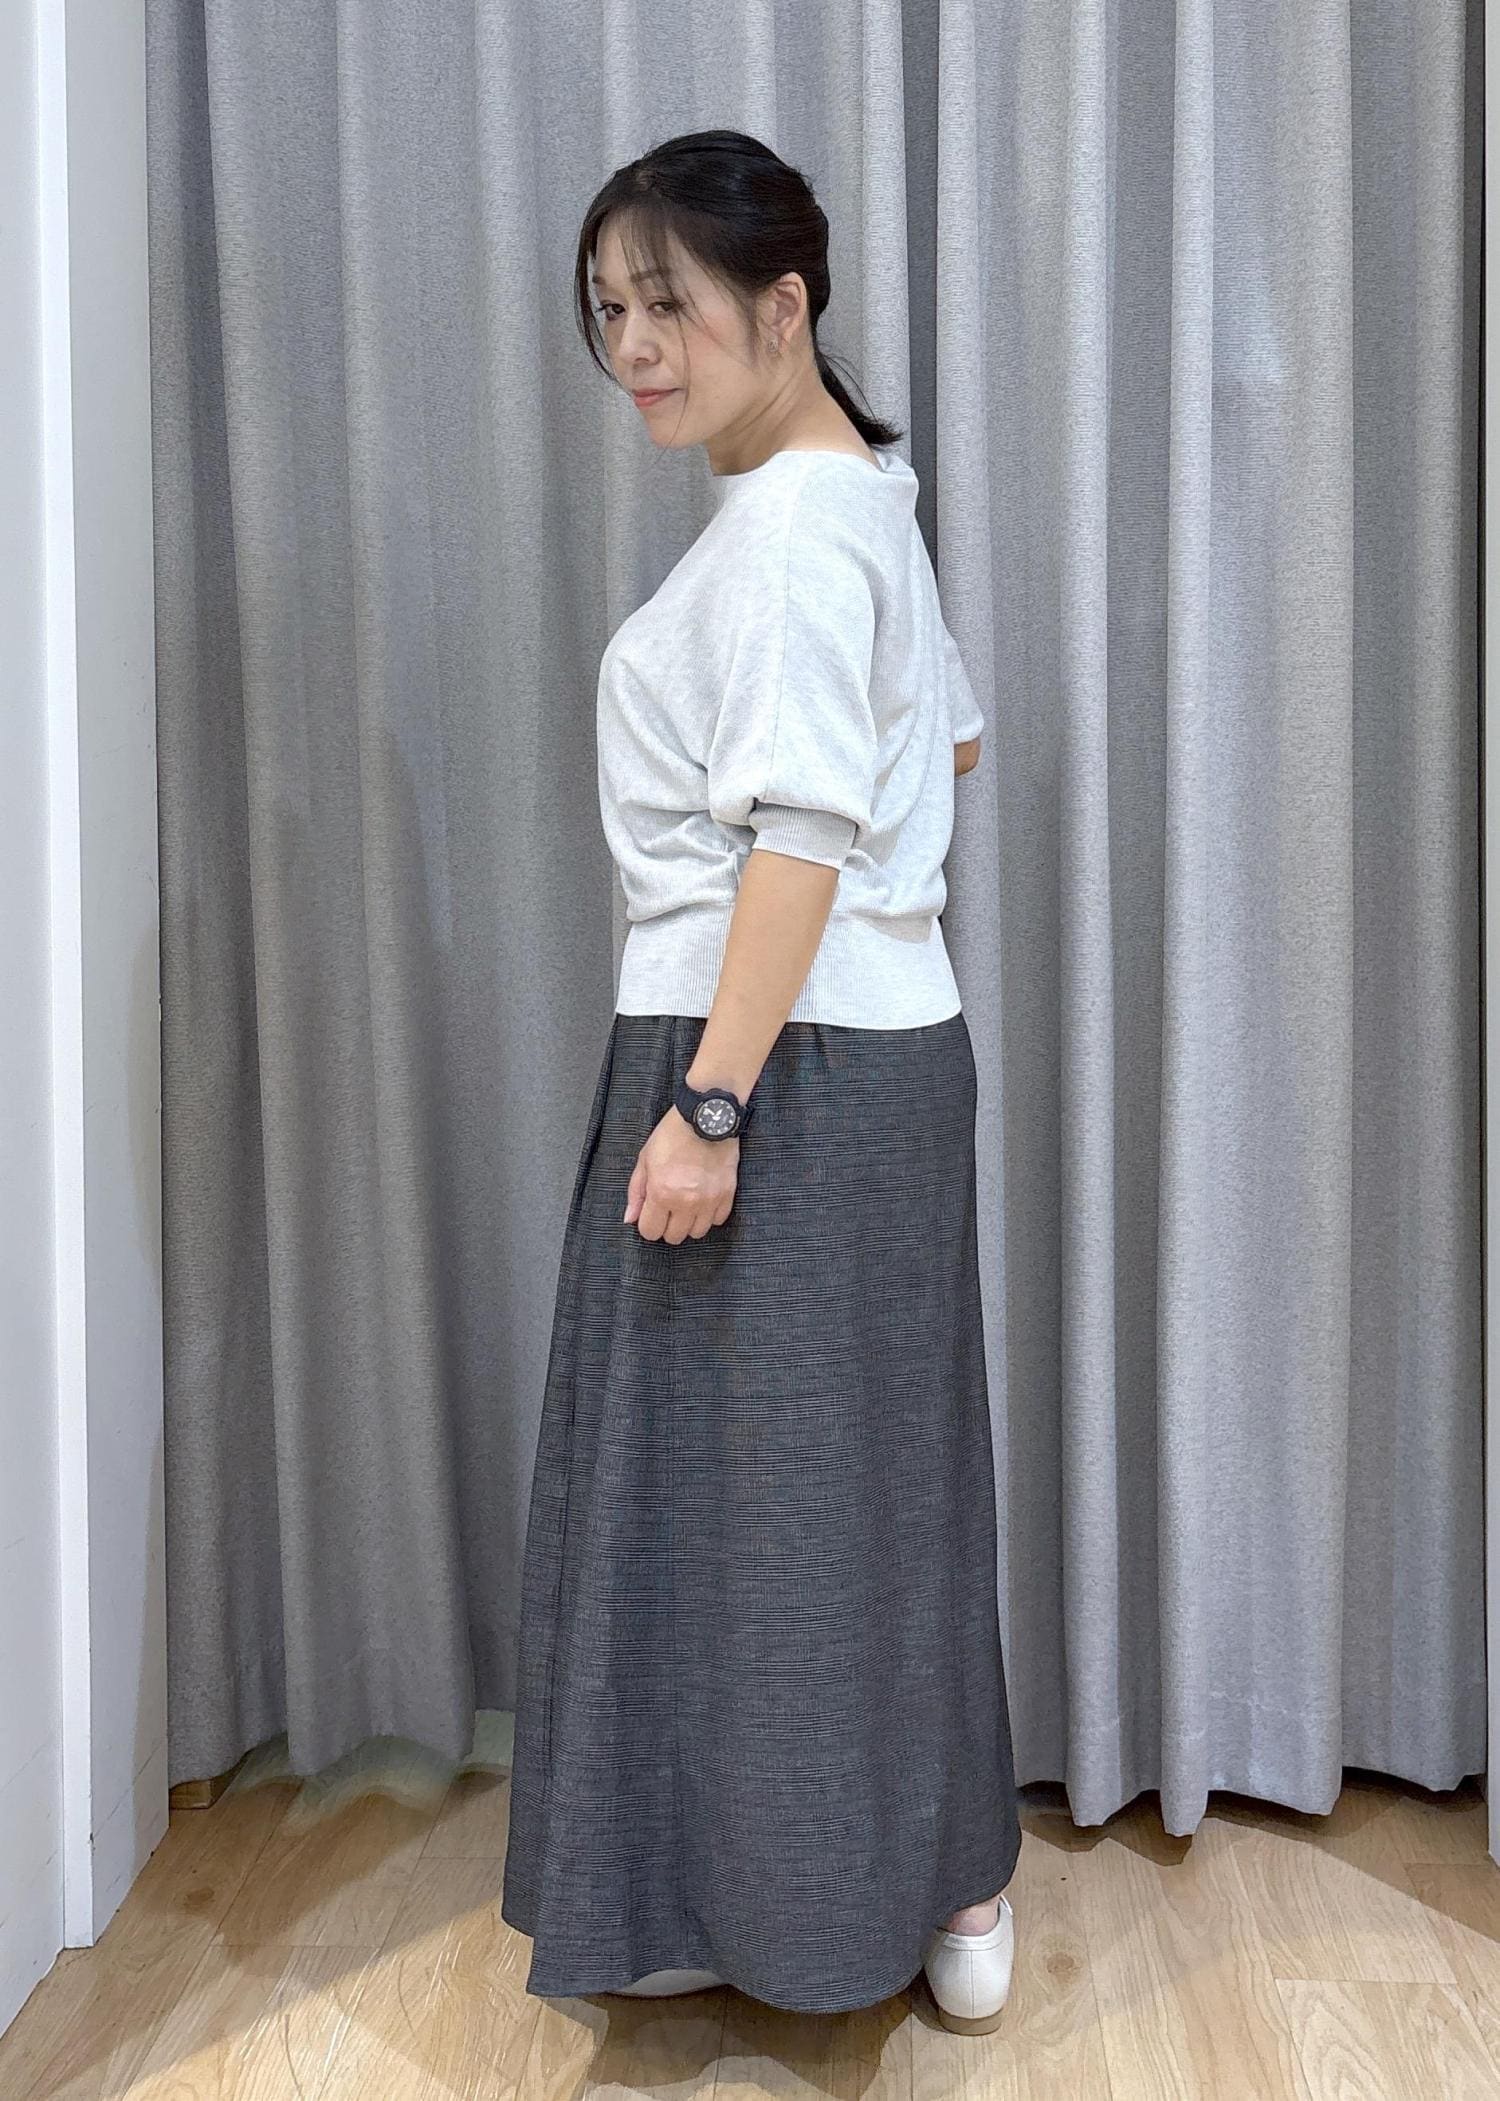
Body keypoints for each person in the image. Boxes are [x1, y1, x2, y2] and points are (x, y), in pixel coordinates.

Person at [498, 128, 1020, 2035]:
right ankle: (925, 1876)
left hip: (767, 1050)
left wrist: (712, 1105)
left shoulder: (802, 524)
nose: (634, 346)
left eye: (669, 304)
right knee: (857, 1490)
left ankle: (827, 1897)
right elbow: (941, 752)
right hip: (870, 1049)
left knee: (765, 1506)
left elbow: (799, 832)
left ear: (782, 304)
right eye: (609, 311)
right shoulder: (856, 494)